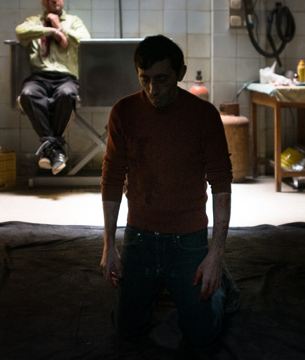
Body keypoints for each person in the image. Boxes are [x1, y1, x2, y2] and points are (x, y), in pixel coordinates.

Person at [99, 35, 237, 355]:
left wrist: (215, 255)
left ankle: (222, 287)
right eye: (144, 79)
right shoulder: (124, 112)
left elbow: (221, 183)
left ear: (180, 73)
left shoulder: (203, 115)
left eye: (161, 79)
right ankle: (158, 287)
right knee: (127, 327)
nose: (153, 89)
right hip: (140, 237)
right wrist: (109, 245)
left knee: (201, 334)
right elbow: (112, 178)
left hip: (187, 238)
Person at [15, 0, 91, 175]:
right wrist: (49, 31)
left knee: (67, 94)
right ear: (43, 2)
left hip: (66, 77)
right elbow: (20, 33)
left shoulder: (73, 21)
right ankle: (56, 150)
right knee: (27, 95)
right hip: (39, 77)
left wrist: (60, 27)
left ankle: (49, 149)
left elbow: (85, 41)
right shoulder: (35, 21)